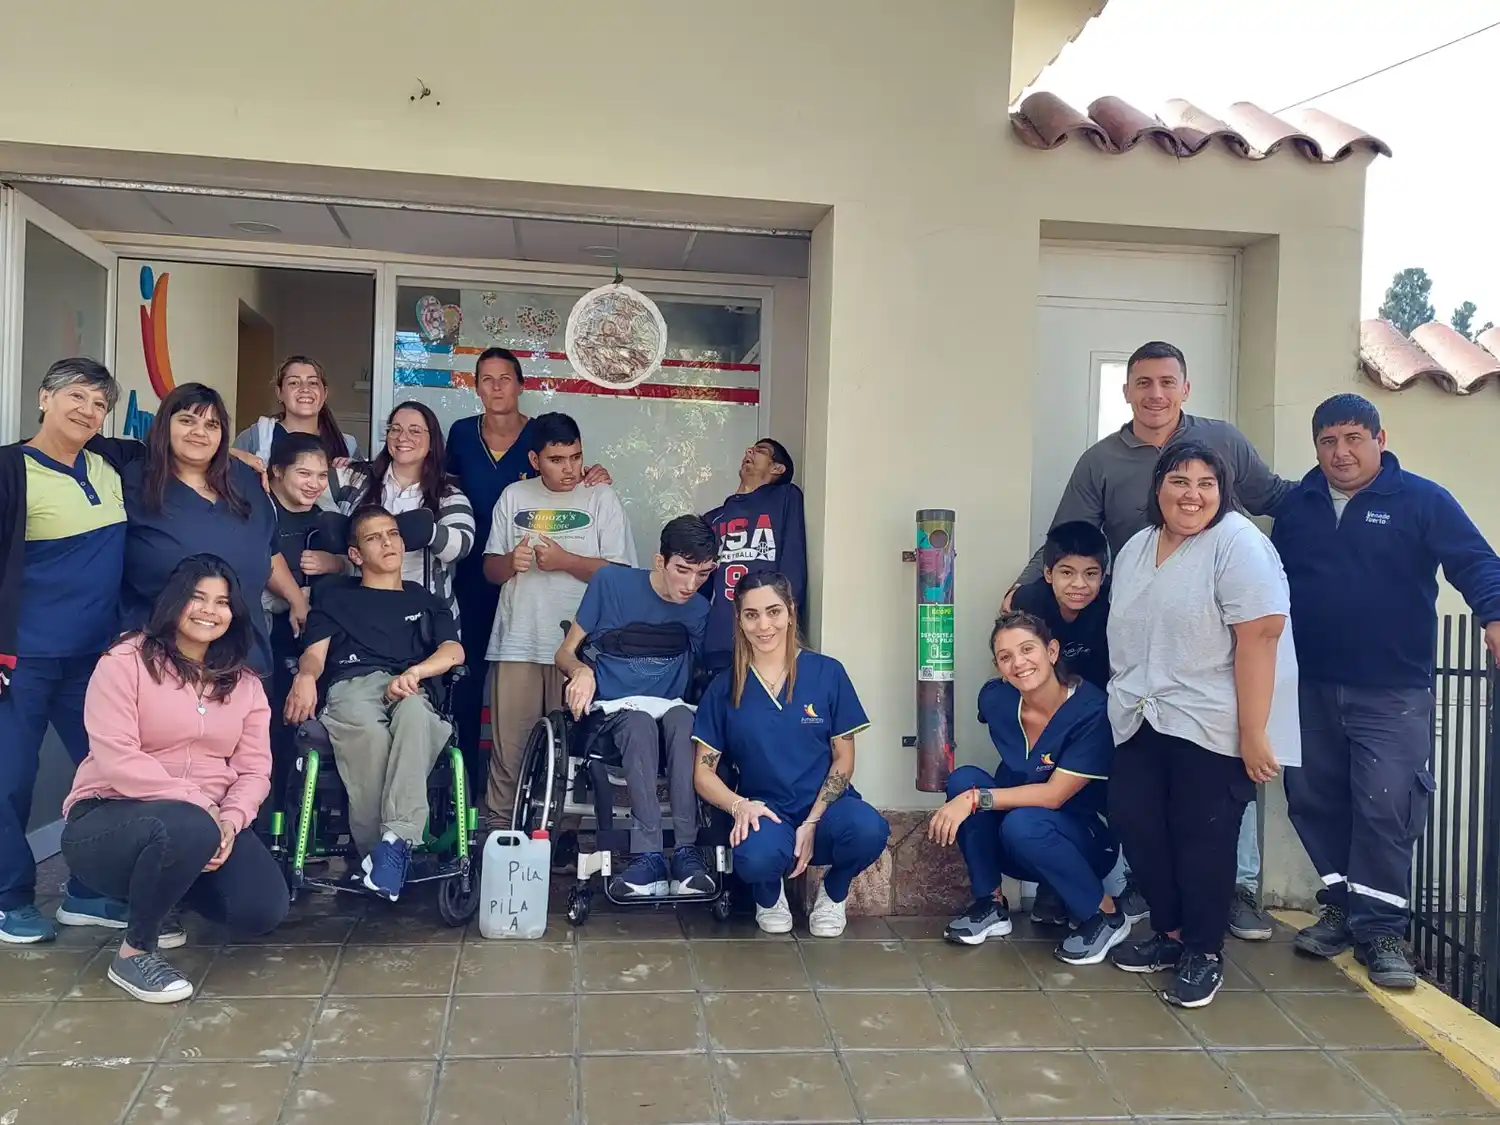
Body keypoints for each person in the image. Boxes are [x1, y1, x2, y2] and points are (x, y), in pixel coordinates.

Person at [1005, 340, 1281, 942]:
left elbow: (1278, 499)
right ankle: (1159, 905)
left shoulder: (1226, 457)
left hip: (1210, 659)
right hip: (1144, 657)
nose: (1156, 394)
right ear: (1127, 391)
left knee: (1213, 804)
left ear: (1186, 387)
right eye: (1144, 383)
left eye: (1167, 382)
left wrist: (1336, 528)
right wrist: (1025, 589)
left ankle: (1231, 895)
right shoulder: (1106, 473)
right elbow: (1066, 535)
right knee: (1142, 806)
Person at [1273, 394, 1500, 989]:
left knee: (1386, 807)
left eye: (1353, 438)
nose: (1341, 453)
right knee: (1313, 799)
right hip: (1308, 685)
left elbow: (1475, 562)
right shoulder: (1298, 505)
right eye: (1328, 441)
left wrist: (1494, 614)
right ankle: (1342, 909)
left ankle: (1381, 932)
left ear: (1380, 439)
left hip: (1392, 691)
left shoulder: (1422, 500)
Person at [1104, 441, 1300, 1008]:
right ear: (1158, 488)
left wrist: (1255, 732)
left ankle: (1203, 951)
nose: (1192, 495)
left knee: (1203, 839)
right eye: (1179, 481)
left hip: (1211, 722)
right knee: (1138, 824)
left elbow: (1260, 637)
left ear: (1223, 491)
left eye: (1205, 483)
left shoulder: (1238, 544)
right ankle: (1169, 934)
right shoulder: (1138, 546)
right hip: (1140, 715)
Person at [61, 555, 288, 1002]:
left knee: (261, 909)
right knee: (187, 824)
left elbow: (254, 769)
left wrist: (230, 821)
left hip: (204, 824)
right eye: (197, 598)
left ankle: (165, 894)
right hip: (108, 818)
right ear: (174, 602)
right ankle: (133, 954)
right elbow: (116, 756)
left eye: (222, 602)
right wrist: (199, 806)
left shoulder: (244, 684)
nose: (209, 610)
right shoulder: (125, 661)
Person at [0, 359, 139, 943]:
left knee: (105, 776)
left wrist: (245, 457)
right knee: (10, 778)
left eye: (99, 404)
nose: (87, 410)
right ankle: (9, 898)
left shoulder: (111, 464)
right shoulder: (9, 468)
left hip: (94, 661)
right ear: (43, 398)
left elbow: (181, 446)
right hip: (20, 659)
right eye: (75, 397)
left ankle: (89, 891)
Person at [691, 572, 888, 937]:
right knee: (755, 856)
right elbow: (703, 773)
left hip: (827, 809)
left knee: (869, 829)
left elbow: (844, 758)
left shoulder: (827, 673)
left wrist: (813, 820)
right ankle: (768, 896)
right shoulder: (724, 687)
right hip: (766, 811)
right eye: (752, 615)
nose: (764, 625)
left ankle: (834, 892)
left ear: (791, 612)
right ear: (739, 620)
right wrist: (740, 806)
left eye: (773, 611)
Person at [444, 348, 609, 783]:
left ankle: (548, 802)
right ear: (476, 387)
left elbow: (570, 469)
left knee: (552, 713)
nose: (496, 387)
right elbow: (437, 484)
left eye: (505, 378)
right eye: (487, 379)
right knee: (469, 680)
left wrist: (594, 476)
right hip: (477, 572)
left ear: (521, 384)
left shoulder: (542, 435)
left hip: (543, 590)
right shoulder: (461, 434)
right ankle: (469, 788)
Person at [285, 505, 464, 901]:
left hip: (410, 684)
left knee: (416, 714)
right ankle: (383, 853)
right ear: (355, 554)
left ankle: (392, 847)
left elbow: (453, 650)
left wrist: (416, 672)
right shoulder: (335, 597)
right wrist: (305, 677)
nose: (387, 542)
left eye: (393, 534)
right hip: (353, 685)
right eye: (374, 537)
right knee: (371, 734)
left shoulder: (425, 598)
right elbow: (314, 655)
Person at [929, 610, 1125, 963]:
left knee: (1017, 819)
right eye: (1006, 657)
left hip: (1085, 843)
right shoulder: (996, 699)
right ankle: (990, 904)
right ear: (998, 667)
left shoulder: (1092, 710)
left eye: (1027, 649)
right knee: (964, 779)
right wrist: (970, 794)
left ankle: (1105, 914)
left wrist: (974, 799)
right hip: (1016, 840)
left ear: (1052, 651)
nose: (1018, 663)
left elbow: (1053, 795)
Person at [481, 412, 636, 831]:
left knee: (572, 750)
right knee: (510, 749)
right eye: (556, 459)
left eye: (576, 457)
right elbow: (489, 569)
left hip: (580, 648)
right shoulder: (514, 495)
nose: (570, 469)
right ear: (535, 459)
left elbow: (621, 576)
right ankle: (500, 831)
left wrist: (566, 561)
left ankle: (560, 838)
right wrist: (509, 563)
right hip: (517, 640)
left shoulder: (601, 497)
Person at [555, 515, 718, 899]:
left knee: (685, 721)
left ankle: (686, 853)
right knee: (640, 723)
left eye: (703, 574)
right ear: (660, 561)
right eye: (683, 570)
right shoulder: (611, 583)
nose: (691, 584)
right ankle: (648, 856)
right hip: (614, 714)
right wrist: (580, 670)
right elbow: (565, 652)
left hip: (672, 710)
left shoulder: (699, 610)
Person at [120, 382, 305, 681]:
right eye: (187, 421)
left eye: (211, 425)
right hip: (160, 660)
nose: (200, 432)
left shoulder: (245, 480)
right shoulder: (134, 479)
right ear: (164, 425)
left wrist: (296, 598)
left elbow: (269, 551)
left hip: (244, 658)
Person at [334, 401, 475, 622]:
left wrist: (429, 532)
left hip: (425, 619)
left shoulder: (448, 495)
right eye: (395, 429)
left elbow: (461, 546)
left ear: (432, 441)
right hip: (359, 615)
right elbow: (306, 489)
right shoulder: (354, 477)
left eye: (415, 431)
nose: (402, 437)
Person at [262, 434, 343, 812]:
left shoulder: (327, 514)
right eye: (304, 474)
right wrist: (295, 597)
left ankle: (306, 820)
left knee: (309, 730)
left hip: (317, 637)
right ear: (277, 472)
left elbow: (357, 564)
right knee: (268, 727)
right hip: (267, 632)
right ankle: (267, 818)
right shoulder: (258, 510)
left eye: (322, 475)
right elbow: (255, 563)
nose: (314, 484)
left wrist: (335, 563)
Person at [701, 438, 807, 673]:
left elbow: (793, 565)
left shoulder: (785, 498)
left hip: (767, 637)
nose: (749, 451)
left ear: (777, 468)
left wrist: (785, 624)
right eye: (750, 449)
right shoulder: (712, 519)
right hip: (721, 640)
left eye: (761, 451)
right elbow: (700, 586)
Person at [232, 355, 359, 468]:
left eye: (313, 383)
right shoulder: (255, 438)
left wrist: (353, 468)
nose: (305, 389)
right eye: (294, 383)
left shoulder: (348, 446)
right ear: (279, 393)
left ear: (324, 393)